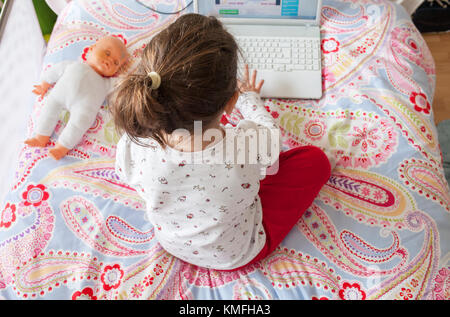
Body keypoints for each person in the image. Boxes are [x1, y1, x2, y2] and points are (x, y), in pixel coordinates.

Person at [112, 13, 332, 270]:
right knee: (316, 161)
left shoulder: (134, 141)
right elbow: (272, 142)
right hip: (235, 254)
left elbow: (126, 174)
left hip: (172, 242)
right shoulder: (246, 145)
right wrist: (250, 100)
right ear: (231, 102)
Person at [25, 36, 129, 160]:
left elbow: (123, 83)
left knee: (78, 125)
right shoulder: (73, 65)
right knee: (49, 109)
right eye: (107, 53)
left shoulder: (106, 83)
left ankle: (62, 147)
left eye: (116, 63)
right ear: (92, 48)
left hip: (83, 109)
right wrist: (44, 84)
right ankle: (40, 137)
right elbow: (55, 71)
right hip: (58, 97)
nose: (109, 61)